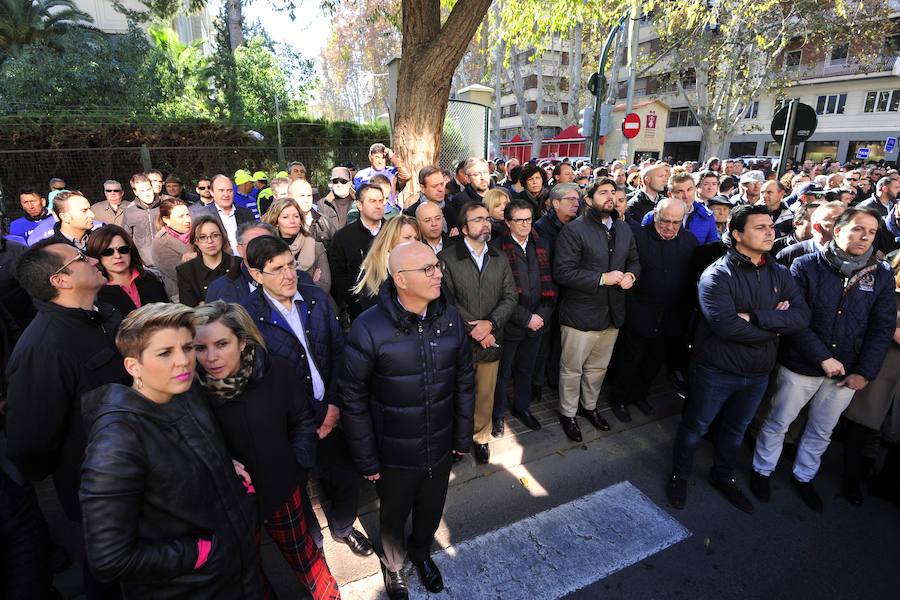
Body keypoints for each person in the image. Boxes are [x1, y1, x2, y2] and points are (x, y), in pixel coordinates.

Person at [78, 303, 262, 599]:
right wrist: (199, 554)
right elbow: (109, 559)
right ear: (132, 366)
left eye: (188, 348)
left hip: (238, 571)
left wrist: (225, 464)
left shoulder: (184, 389)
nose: (184, 362)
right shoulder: (115, 444)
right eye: (165, 353)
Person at [340, 241, 474, 600]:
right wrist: (367, 458)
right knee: (393, 516)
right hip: (394, 451)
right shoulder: (368, 328)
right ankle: (395, 564)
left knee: (430, 510)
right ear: (400, 279)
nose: (438, 274)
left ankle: (420, 553)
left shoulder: (449, 317)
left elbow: (464, 379)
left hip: (441, 443)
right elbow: (351, 398)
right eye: (427, 269)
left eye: (437, 266)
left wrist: (463, 437)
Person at [667, 205, 810, 514]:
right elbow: (726, 327)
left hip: (758, 372)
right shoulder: (717, 275)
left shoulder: (780, 273)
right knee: (695, 428)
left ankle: (722, 476)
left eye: (770, 226)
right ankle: (679, 475)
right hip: (715, 370)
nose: (770, 231)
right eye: (760, 227)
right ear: (737, 234)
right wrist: (775, 327)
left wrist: (756, 318)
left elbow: (801, 317)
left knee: (735, 430)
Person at [193, 302, 341, 600]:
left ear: (242, 340)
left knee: (305, 557)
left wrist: (296, 465)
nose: (211, 357)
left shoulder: (276, 371)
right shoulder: (190, 391)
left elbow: (301, 419)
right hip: (229, 503)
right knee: (248, 572)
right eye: (200, 347)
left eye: (221, 344)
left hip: (281, 489)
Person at [6, 240, 129, 598]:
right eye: (81, 257)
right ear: (60, 280)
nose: (94, 259)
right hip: (103, 494)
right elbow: (30, 443)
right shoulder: (43, 348)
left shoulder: (103, 315)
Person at [751, 207, 895, 511]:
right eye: (857, 229)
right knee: (779, 421)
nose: (865, 236)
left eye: (870, 231)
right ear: (838, 230)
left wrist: (865, 373)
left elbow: (881, 328)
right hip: (801, 366)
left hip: (847, 372)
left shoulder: (879, 274)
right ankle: (762, 471)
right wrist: (823, 358)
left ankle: (804, 476)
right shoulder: (805, 266)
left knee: (821, 430)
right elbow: (795, 319)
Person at [242, 236, 373, 559]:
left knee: (345, 479)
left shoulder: (315, 298)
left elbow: (338, 351)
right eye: (277, 269)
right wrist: (300, 424)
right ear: (257, 275)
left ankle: (342, 528)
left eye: (291, 265)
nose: (289, 275)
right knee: (296, 491)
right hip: (288, 426)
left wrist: (332, 405)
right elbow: (256, 382)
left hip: (329, 410)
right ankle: (312, 542)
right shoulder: (246, 317)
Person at [553, 177, 641, 442]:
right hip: (580, 314)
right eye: (603, 193)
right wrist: (603, 278)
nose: (610, 197)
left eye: (613, 192)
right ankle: (568, 414)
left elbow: (635, 261)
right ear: (589, 200)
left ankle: (589, 408)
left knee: (598, 368)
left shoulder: (624, 229)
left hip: (613, 313)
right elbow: (563, 272)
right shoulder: (574, 230)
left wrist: (631, 277)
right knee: (572, 369)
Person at [438, 202, 517, 464]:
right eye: (477, 220)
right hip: (459, 341)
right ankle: (455, 441)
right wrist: (475, 329)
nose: (485, 224)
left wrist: (491, 325)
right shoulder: (447, 259)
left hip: (491, 339)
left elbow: (510, 297)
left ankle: (480, 438)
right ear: (463, 228)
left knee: (485, 394)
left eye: (487, 219)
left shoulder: (498, 256)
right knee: (456, 393)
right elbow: (445, 301)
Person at [608, 198, 698, 422]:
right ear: (655, 215)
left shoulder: (689, 241)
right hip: (638, 313)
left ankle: (640, 396)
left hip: (670, 316)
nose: (669, 227)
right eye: (665, 221)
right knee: (629, 361)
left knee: (653, 363)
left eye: (676, 222)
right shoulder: (636, 236)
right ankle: (619, 399)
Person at [489, 200, 555, 432]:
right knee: (502, 372)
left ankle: (522, 407)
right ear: (508, 222)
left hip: (537, 322)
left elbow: (550, 284)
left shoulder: (542, 245)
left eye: (529, 219)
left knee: (527, 368)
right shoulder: (496, 249)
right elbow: (496, 292)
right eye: (520, 220)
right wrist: (525, 318)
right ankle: (497, 414)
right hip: (509, 324)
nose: (526, 224)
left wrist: (542, 315)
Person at [841, 252, 900, 505]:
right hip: (879, 366)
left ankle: (873, 472)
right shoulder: (884, 287)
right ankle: (851, 480)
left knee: (886, 431)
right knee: (862, 426)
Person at [329, 183, 386, 321]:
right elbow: (339, 276)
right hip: (361, 313)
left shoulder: (394, 232)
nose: (378, 206)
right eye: (372, 201)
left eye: (381, 201)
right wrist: (356, 301)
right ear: (359, 205)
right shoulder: (342, 237)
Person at [88, 225, 168, 316]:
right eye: (108, 252)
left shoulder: (151, 278)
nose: (117, 256)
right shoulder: (96, 294)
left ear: (131, 251)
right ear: (97, 256)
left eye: (123, 249)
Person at [351, 216, 420, 315]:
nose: (413, 242)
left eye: (416, 238)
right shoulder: (372, 274)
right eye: (407, 238)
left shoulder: (424, 267)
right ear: (391, 239)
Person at [262, 196, 331, 295]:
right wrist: (309, 282)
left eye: (296, 216)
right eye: (285, 217)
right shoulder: (267, 250)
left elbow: (324, 286)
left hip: (315, 306)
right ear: (276, 221)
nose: (292, 221)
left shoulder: (316, 247)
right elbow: (268, 287)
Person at [206, 222, 277, 303]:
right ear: (240, 250)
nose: (260, 248)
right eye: (252, 244)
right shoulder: (219, 288)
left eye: (266, 243)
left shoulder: (291, 277)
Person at [641, 172, 718, 245]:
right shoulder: (652, 217)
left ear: (695, 189)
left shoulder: (707, 216)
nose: (686, 196)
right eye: (679, 191)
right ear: (670, 194)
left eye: (689, 189)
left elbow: (713, 249)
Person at [176, 216, 238, 307]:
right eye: (202, 237)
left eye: (215, 235)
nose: (210, 241)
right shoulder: (186, 271)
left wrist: (206, 305)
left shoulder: (238, 264)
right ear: (195, 241)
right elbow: (189, 311)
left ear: (222, 237)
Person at [192, 175, 256, 255]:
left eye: (229, 190)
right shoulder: (200, 215)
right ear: (212, 192)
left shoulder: (247, 214)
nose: (226, 195)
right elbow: (195, 244)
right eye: (221, 190)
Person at [776, 201, 845, 266]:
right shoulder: (789, 255)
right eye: (837, 220)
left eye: (846, 220)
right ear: (817, 227)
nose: (845, 224)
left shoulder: (852, 251)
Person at [151, 196, 194, 300]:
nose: (187, 219)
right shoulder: (160, 243)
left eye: (187, 214)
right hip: (184, 298)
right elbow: (183, 275)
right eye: (181, 216)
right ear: (166, 220)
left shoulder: (199, 232)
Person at [353, 143, 412, 209]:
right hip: (369, 211)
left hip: (389, 212)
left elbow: (407, 175)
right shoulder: (361, 176)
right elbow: (359, 198)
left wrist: (392, 157)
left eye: (383, 158)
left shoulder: (392, 173)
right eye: (377, 157)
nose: (380, 161)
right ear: (370, 157)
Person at [402, 165, 458, 232]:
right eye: (435, 186)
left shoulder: (451, 211)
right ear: (422, 188)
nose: (441, 189)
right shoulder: (411, 215)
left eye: (442, 184)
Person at [122, 173, 161, 266]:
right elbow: (126, 240)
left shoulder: (165, 207)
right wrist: (136, 261)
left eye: (148, 189)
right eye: (142, 191)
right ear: (135, 192)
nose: (147, 194)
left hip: (168, 262)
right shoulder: (129, 212)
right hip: (145, 266)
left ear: (152, 188)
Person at [290, 178, 336, 246]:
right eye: (302, 196)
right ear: (290, 197)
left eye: (309, 196)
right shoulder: (282, 223)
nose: (306, 200)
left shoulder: (325, 222)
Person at [534, 183, 580, 249]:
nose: (577, 204)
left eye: (577, 200)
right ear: (556, 203)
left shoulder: (578, 224)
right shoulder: (541, 227)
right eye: (571, 199)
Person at [319, 167, 357, 233]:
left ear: (350, 183)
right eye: (335, 181)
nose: (339, 185)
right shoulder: (323, 204)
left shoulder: (359, 201)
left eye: (343, 181)